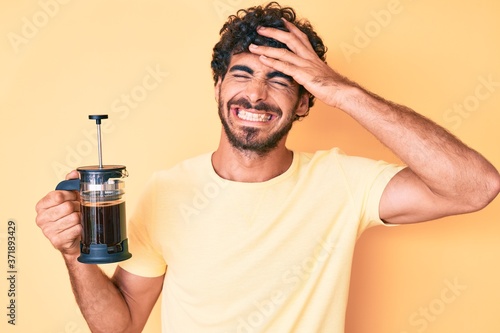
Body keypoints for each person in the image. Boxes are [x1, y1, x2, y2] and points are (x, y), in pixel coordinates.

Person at [35, 2, 500, 332]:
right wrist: (74, 253)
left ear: (303, 104)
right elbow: (120, 326)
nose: (256, 94)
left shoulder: (342, 183)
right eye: (242, 74)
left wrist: (341, 90)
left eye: (281, 81)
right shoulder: (166, 191)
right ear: (218, 86)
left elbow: (475, 187)